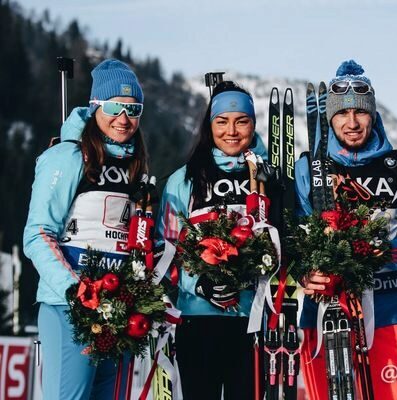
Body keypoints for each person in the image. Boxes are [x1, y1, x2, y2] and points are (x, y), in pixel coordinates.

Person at [23, 59, 147, 399]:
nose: (124, 119)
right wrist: (73, 288)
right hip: (71, 306)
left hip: (118, 306)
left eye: (133, 110)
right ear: (95, 107)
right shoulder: (68, 156)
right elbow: (37, 234)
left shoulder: (133, 163)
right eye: (114, 108)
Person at [297, 60, 397, 400]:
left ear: (373, 115)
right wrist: (307, 273)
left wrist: (385, 252)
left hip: (386, 308)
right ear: (329, 118)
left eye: (360, 113)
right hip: (322, 311)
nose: (351, 123)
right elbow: (292, 237)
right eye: (341, 114)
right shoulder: (308, 168)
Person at [155, 81, 267, 399]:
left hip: (252, 320)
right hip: (198, 319)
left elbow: (280, 242)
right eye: (222, 121)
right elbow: (167, 249)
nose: (231, 130)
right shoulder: (185, 179)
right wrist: (199, 284)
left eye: (241, 121)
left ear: (253, 124)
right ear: (210, 125)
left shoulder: (265, 176)